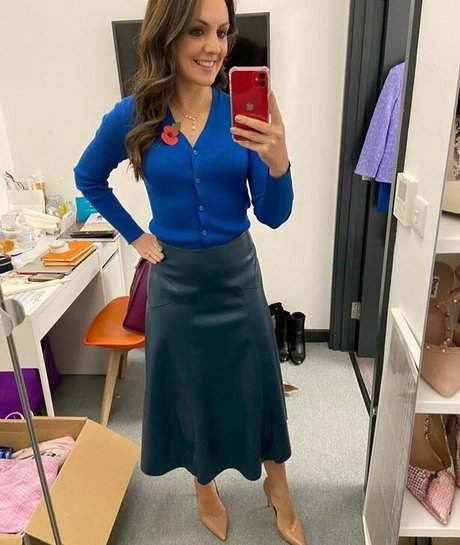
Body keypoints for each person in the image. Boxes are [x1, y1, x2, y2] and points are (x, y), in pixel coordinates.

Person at [74, 0, 306, 543]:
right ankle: (204, 486)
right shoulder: (134, 115)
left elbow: (273, 215)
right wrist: (136, 235)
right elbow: (88, 178)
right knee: (190, 388)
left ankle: (278, 486)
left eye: (223, 32)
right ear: (169, 34)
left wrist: (278, 161)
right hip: (175, 285)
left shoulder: (241, 113)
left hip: (236, 279)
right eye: (198, 31)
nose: (214, 47)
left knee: (258, 384)